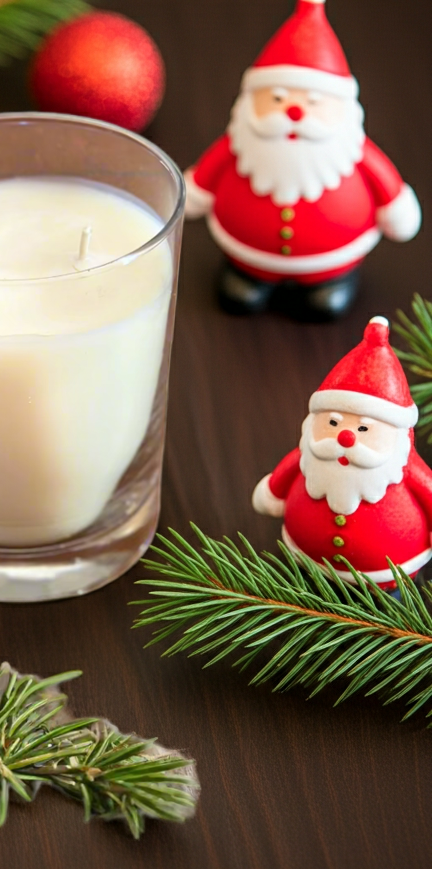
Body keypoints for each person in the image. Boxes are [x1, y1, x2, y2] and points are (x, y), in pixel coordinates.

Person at [184, 0, 421, 320]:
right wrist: (189, 195)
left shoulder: (352, 149)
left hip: (332, 261)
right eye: (278, 99)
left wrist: (396, 208)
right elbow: (203, 178)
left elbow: (387, 185)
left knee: (324, 306)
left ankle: (329, 285)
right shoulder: (240, 144)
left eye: (312, 101)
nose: (294, 113)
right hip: (247, 256)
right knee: (238, 297)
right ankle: (248, 279)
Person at [253, 317, 432, 587]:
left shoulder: (404, 468)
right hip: (306, 562)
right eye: (333, 423)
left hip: (385, 575)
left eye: (364, 429)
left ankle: (386, 597)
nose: (346, 437)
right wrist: (274, 492)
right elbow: (283, 476)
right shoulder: (310, 458)